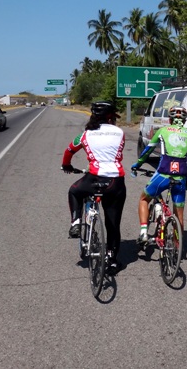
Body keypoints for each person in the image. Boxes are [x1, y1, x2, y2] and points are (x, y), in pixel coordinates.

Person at [61, 101, 127, 274]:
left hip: (93, 178)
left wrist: (67, 165)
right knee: (113, 224)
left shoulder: (85, 135)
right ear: (111, 117)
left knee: (74, 191)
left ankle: (76, 222)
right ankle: (112, 260)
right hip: (115, 181)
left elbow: (69, 150)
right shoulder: (120, 132)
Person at [132, 106, 187, 245]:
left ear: (169, 119)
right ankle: (177, 248)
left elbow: (148, 150)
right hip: (180, 177)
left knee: (144, 199)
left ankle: (143, 232)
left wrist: (138, 164)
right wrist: (185, 173)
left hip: (163, 175)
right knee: (179, 214)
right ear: (184, 121)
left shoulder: (163, 131)